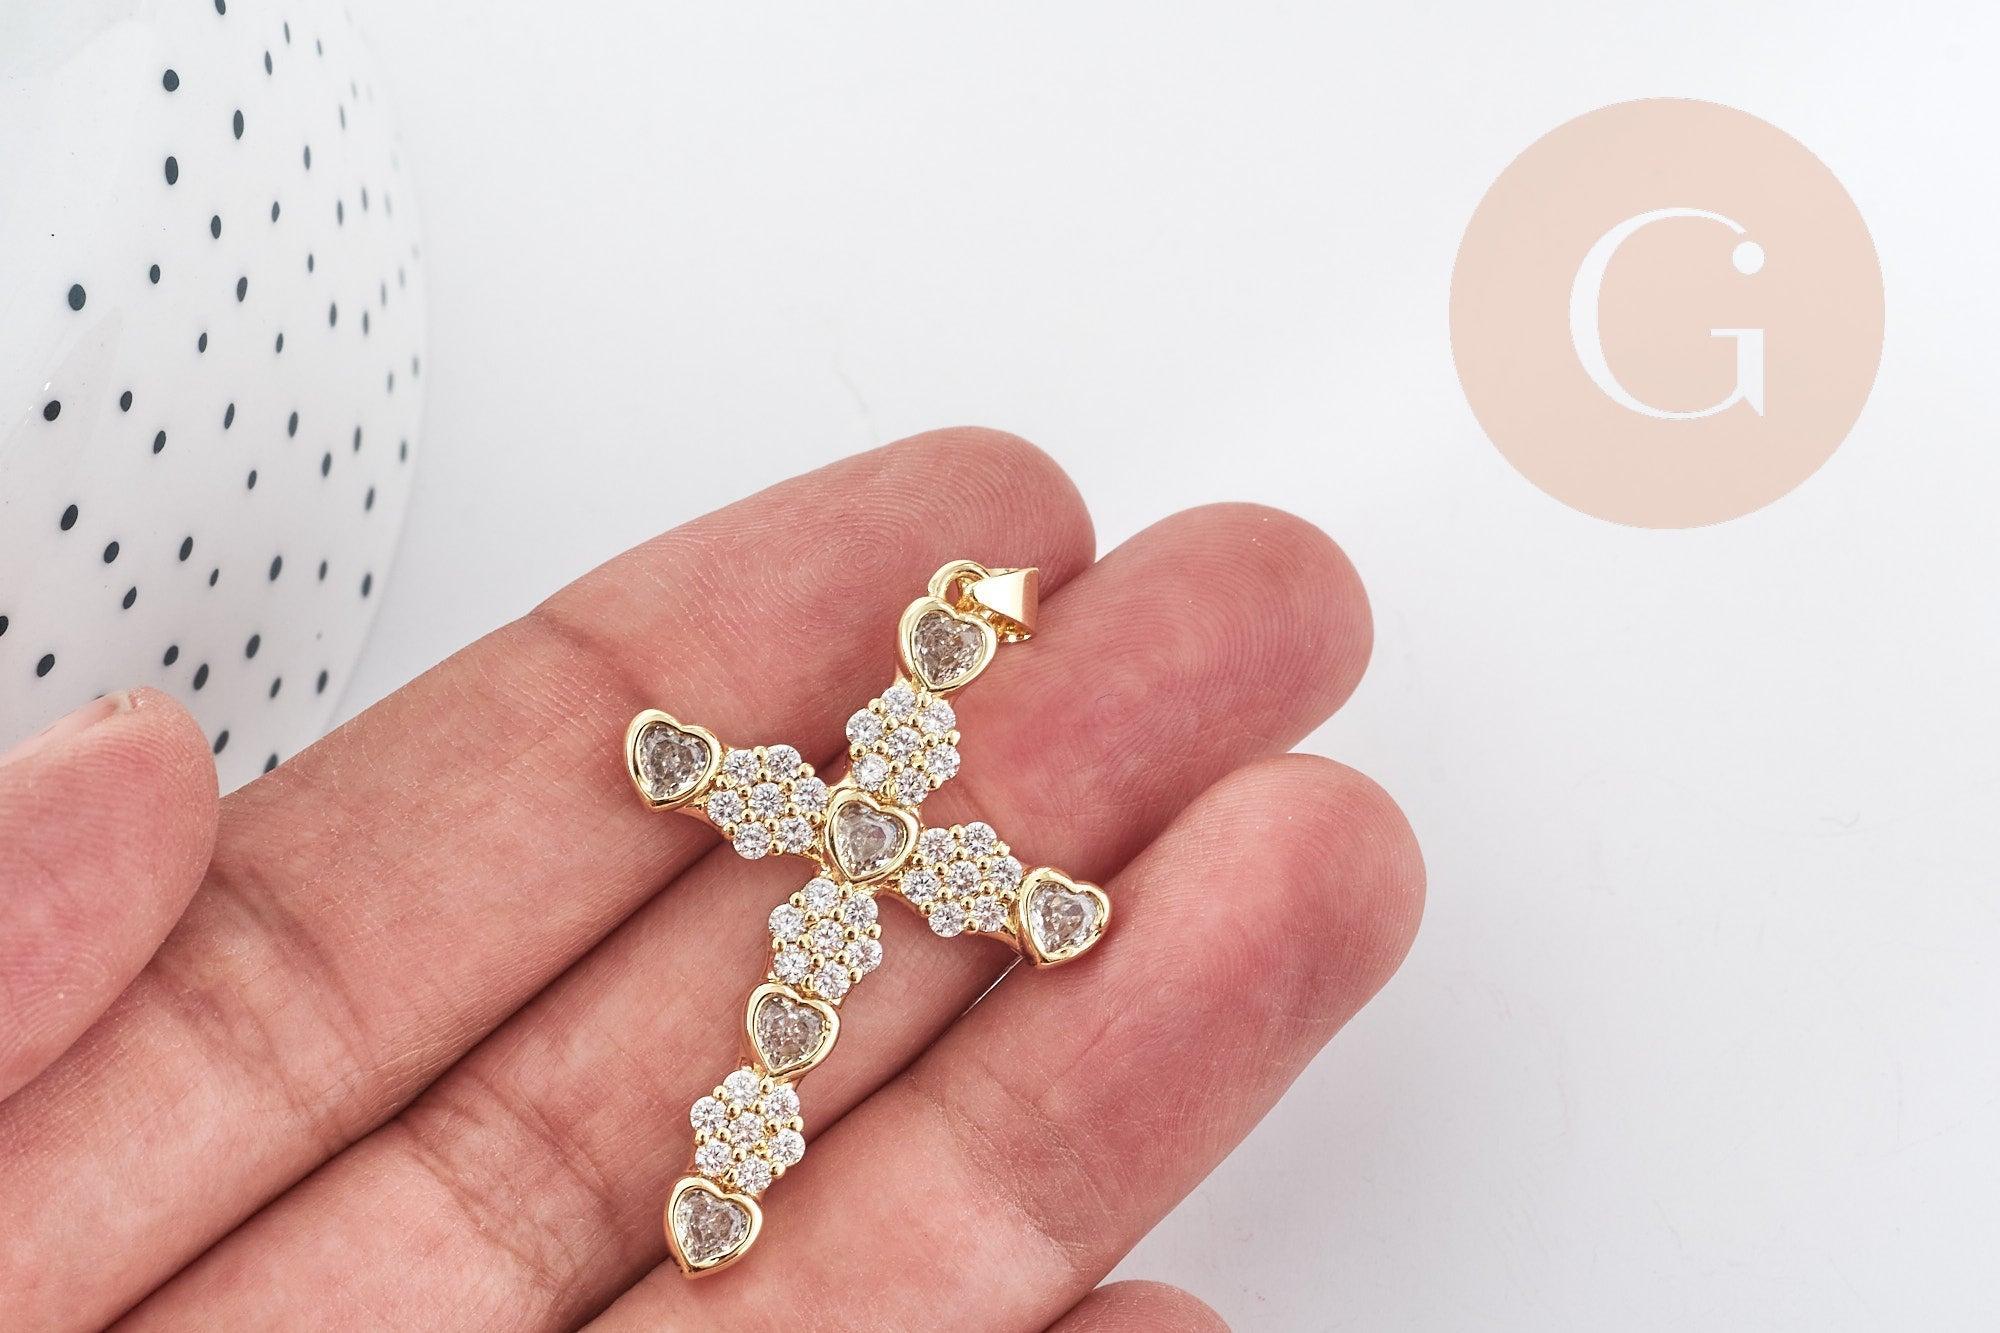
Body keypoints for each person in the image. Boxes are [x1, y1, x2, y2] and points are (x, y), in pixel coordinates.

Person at [0, 429, 1422, 1330]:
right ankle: (725, 1187)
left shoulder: (889, 806)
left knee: (787, 1033)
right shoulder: (843, 795)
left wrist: (1021, 899)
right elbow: (710, 775)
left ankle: (727, 1189)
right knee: (781, 1031)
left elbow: (875, 827)